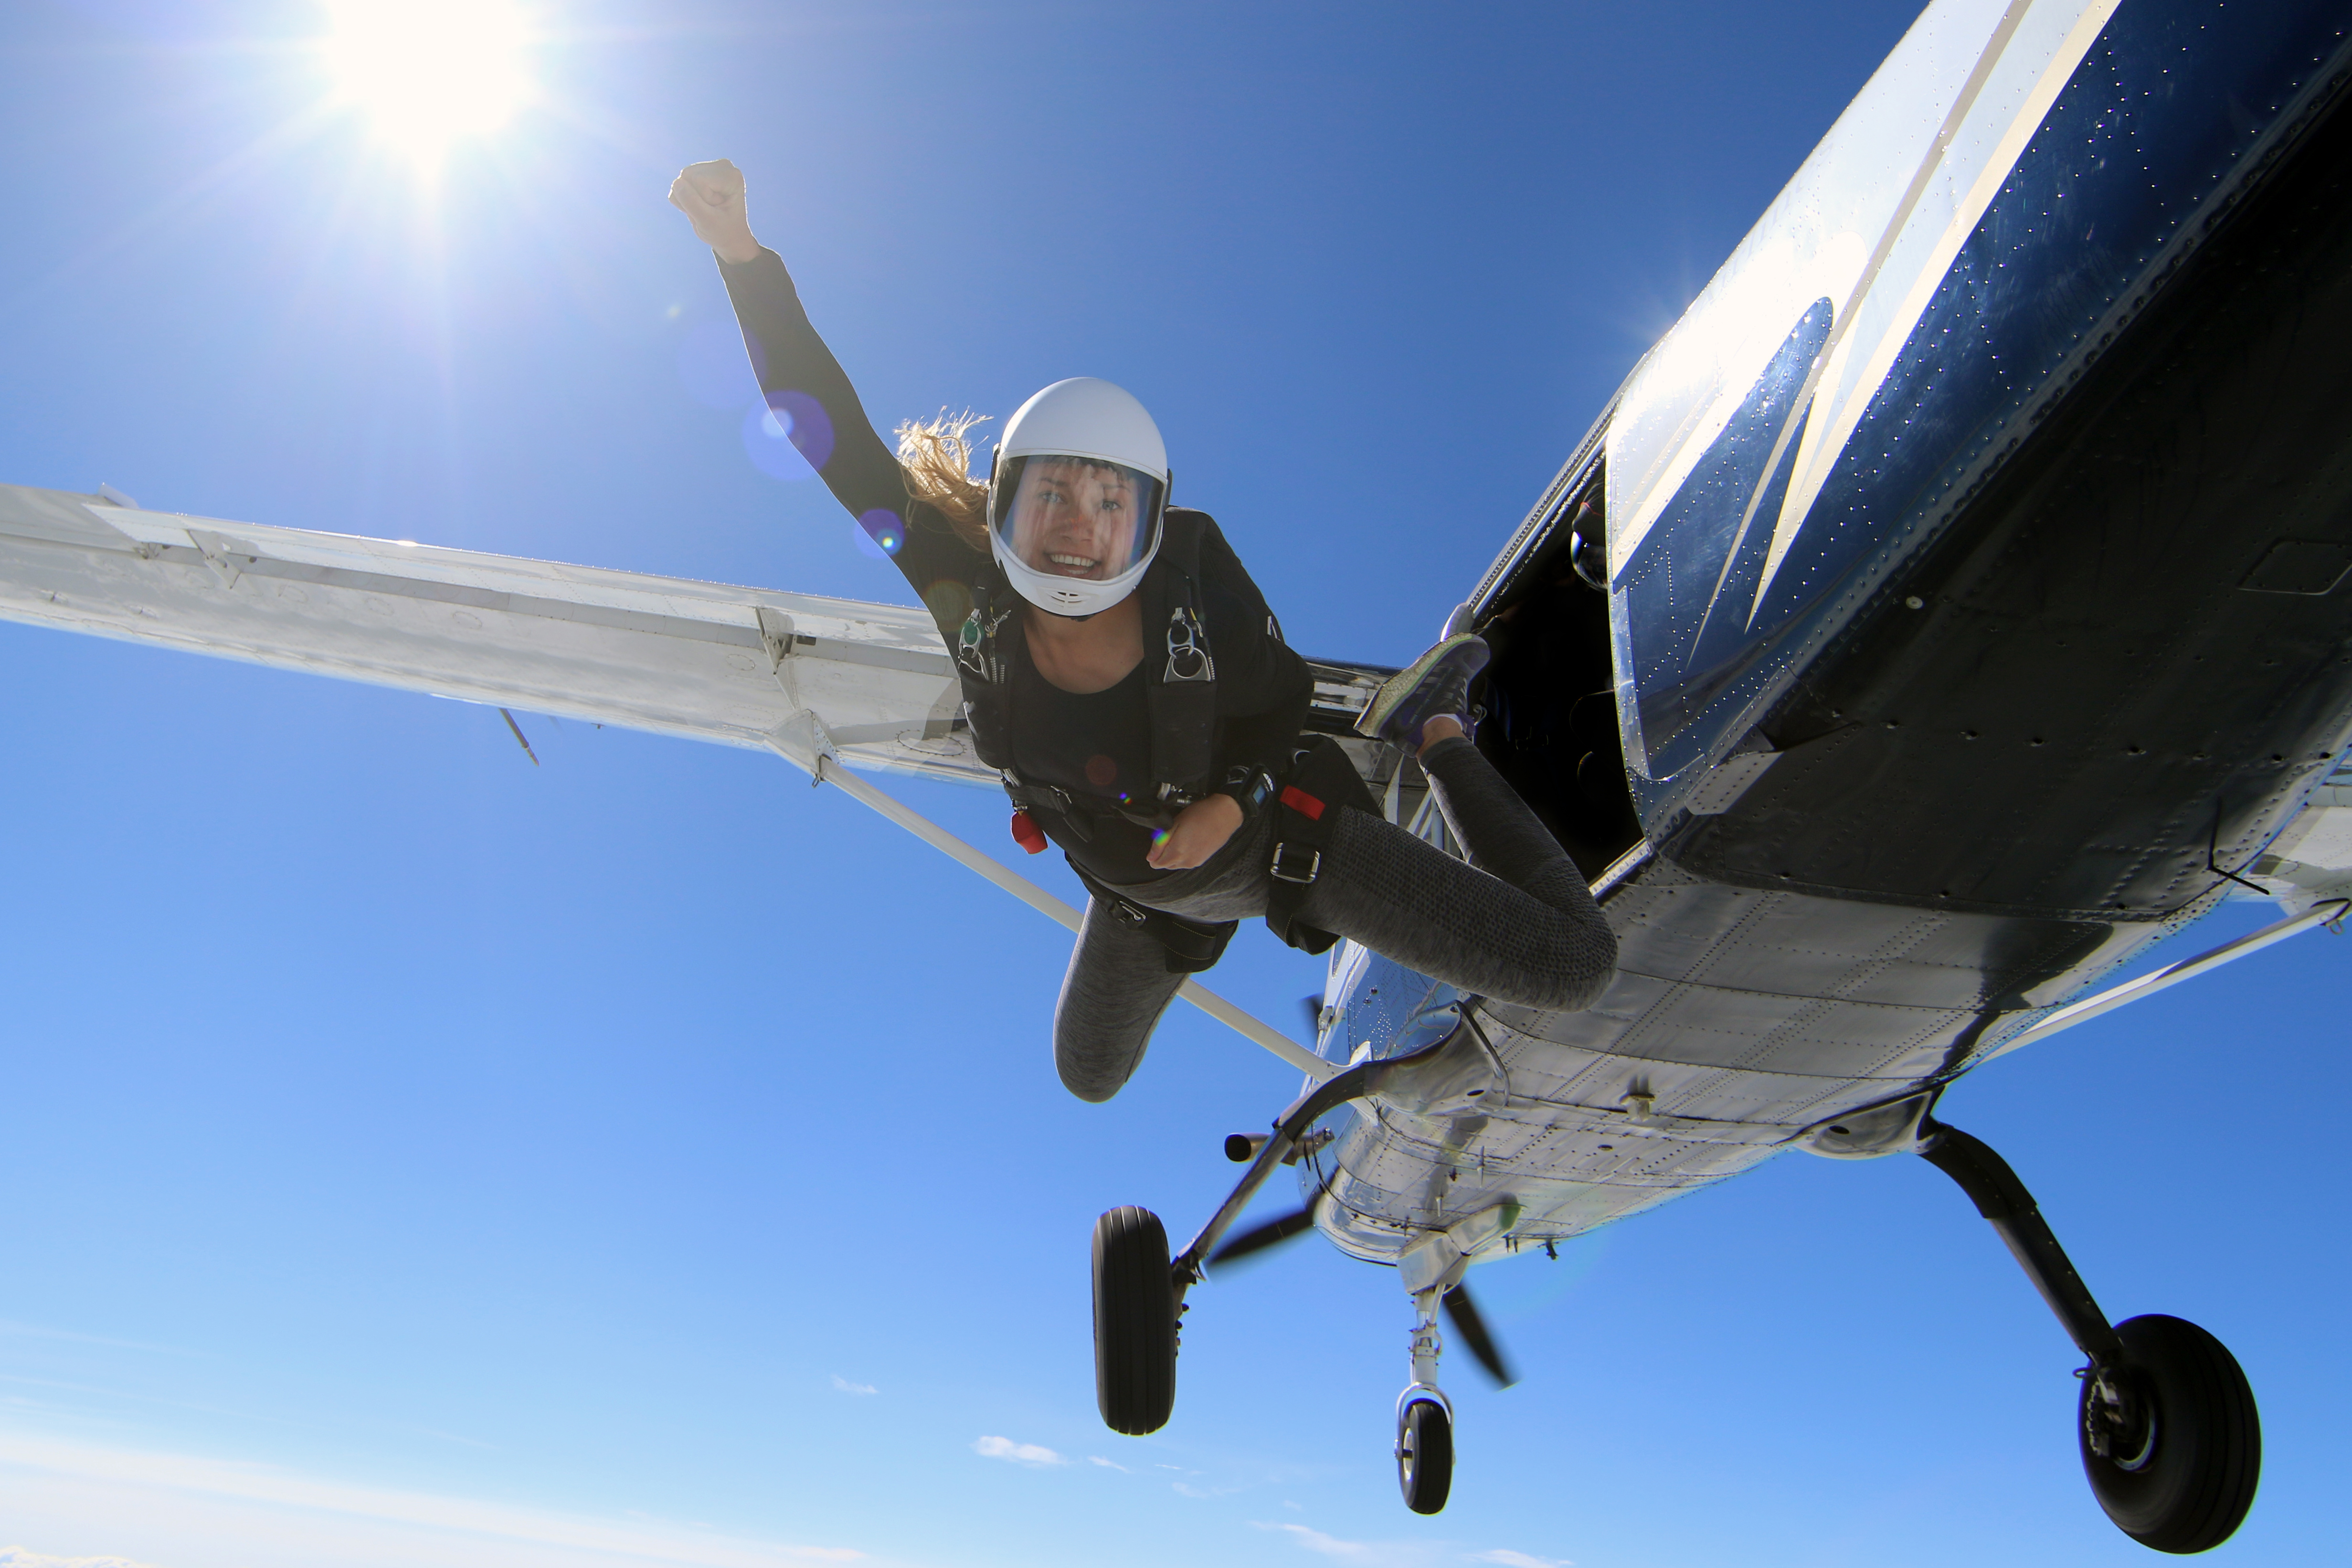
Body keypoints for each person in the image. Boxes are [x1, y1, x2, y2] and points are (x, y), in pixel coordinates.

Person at [669, 159, 1616, 1101]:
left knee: (1573, 966)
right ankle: (1188, 931)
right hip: (1141, 895)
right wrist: (741, 257)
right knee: (1087, 1076)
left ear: (1149, 522)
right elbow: (824, 429)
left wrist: (1235, 803)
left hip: (1289, 845)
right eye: (1053, 495)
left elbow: (1283, 708)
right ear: (1004, 508)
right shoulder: (969, 596)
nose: (1079, 522)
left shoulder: (1198, 596)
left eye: (1108, 501)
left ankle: (1437, 726)